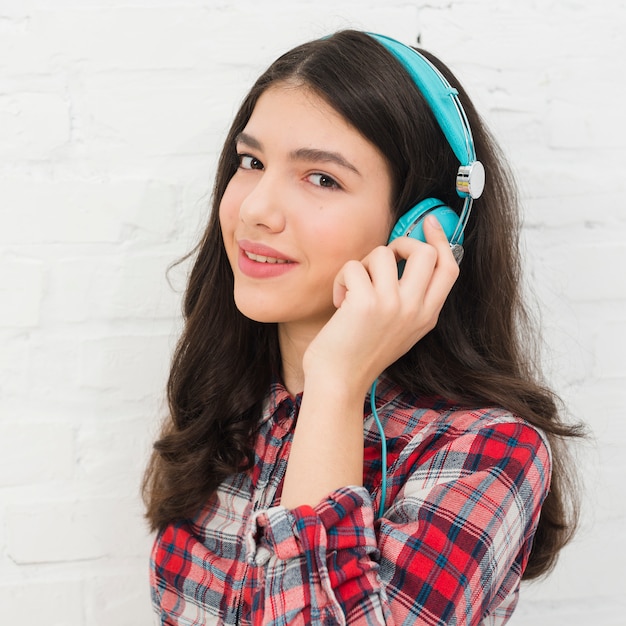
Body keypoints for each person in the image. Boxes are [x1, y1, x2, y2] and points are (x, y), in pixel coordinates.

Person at [142, 29, 582, 625]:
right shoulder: (231, 407)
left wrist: (337, 385)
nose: (254, 210)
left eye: (321, 178)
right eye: (252, 162)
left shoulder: (485, 452)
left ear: (422, 229)